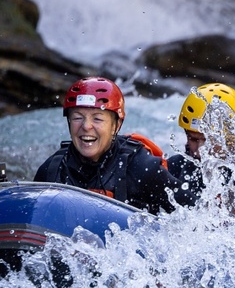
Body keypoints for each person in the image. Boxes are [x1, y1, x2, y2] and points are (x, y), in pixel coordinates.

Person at [34, 76, 196, 214]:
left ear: (116, 126)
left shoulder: (142, 168)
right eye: (77, 117)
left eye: (97, 118)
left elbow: (193, 216)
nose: (86, 126)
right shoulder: (52, 170)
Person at [167, 82, 235, 203]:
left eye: (208, 140)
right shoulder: (175, 167)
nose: (199, 150)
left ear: (231, 139)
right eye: (193, 139)